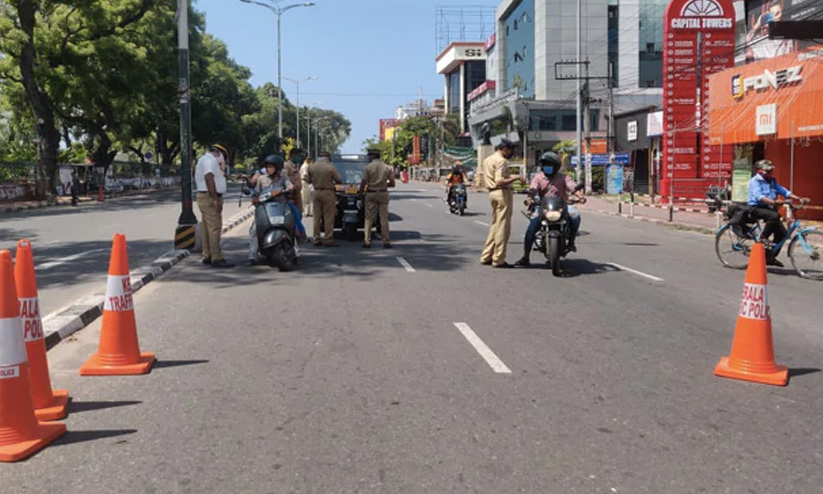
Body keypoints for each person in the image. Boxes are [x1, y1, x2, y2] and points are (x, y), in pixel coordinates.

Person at [515, 152, 586, 267]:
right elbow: (532, 190)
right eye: (545, 164)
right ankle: (525, 257)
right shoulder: (537, 178)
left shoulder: (563, 177)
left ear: (556, 166)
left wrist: (580, 197)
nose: (547, 167)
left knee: (576, 216)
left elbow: (572, 187)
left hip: (562, 207)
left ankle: (571, 242)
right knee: (531, 230)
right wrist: (529, 199)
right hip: (543, 208)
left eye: (550, 164)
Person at [747, 159, 809, 267]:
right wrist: (775, 202)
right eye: (768, 171)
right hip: (756, 208)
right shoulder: (755, 181)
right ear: (760, 171)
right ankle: (763, 237)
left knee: (782, 234)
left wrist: (799, 198)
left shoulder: (772, 182)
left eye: (771, 170)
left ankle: (770, 257)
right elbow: (759, 197)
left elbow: (785, 192)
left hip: (768, 209)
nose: (770, 173)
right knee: (774, 215)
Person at [479, 138, 525, 268]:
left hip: (492, 193)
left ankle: (486, 256)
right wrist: (516, 177)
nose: (511, 153)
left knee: (495, 225)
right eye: (510, 150)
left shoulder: (488, 159)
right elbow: (499, 181)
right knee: (503, 228)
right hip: (501, 193)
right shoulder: (501, 161)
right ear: (504, 149)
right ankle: (498, 259)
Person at [195, 144, 233, 268]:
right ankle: (216, 257)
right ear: (217, 153)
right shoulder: (209, 160)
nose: (223, 161)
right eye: (223, 158)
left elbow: (216, 176)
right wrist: (215, 199)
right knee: (215, 227)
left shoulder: (206, 160)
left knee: (207, 227)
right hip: (210, 197)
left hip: (205, 196)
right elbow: (209, 178)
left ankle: (207, 254)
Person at [359, 147, 396, 249]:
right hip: (383, 193)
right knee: (383, 218)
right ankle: (386, 241)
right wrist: (383, 185)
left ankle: (367, 241)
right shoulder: (387, 167)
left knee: (369, 218)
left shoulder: (368, 168)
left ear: (372, 156)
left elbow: (363, 183)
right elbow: (392, 183)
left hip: (371, 193)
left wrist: (360, 194)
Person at [307, 151, 342, 246]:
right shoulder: (330, 167)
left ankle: (316, 239)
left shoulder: (312, 167)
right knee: (329, 217)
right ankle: (328, 238)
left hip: (316, 192)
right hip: (328, 192)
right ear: (328, 157)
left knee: (317, 217)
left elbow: (308, 180)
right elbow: (338, 180)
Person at [284, 148, 304, 214]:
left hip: (297, 196)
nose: (300, 157)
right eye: (298, 155)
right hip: (291, 197)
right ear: (293, 155)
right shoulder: (287, 166)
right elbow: (284, 180)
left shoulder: (295, 166)